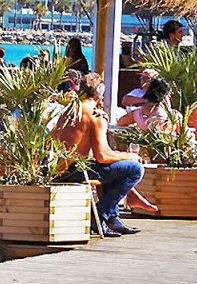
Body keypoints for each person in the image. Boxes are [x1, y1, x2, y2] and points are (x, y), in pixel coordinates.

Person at [51, 72, 145, 237]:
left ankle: (112, 219)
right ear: (100, 97)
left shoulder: (69, 110)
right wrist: (129, 156)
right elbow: (102, 155)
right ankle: (100, 215)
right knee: (135, 168)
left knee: (109, 169)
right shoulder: (95, 116)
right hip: (76, 170)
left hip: (56, 169)